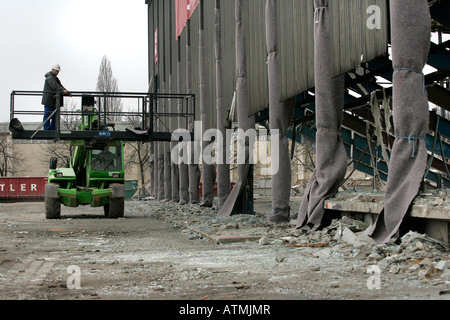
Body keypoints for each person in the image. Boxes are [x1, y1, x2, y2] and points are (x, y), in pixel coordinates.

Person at [41, 64, 70, 130]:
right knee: (48, 115)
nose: (57, 72)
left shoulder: (54, 78)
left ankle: (52, 129)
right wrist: (63, 90)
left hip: (53, 101)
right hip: (50, 101)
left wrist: (67, 92)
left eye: (58, 71)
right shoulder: (50, 78)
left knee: (54, 116)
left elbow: (59, 86)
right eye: (56, 71)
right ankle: (47, 129)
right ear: (53, 70)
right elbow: (55, 86)